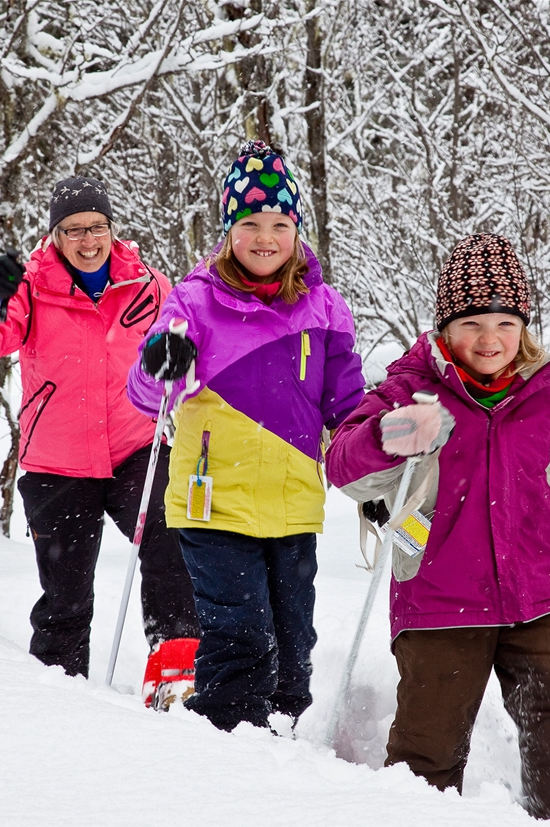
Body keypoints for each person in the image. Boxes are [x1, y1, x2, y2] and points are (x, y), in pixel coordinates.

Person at [325, 234, 550, 826]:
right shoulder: (410, 392)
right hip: (439, 600)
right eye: (473, 323)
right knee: (427, 745)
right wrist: (390, 436)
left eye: (505, 322)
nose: (490, 339)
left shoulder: (544, 399)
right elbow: (344, 464)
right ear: (444, 328)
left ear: (523, 326)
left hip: (538, 597)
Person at [126, 141, 365, 732]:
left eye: (280, 223)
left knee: (292, 639)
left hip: (293, 507)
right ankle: (229, 752)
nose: (266, 237)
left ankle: (284, 742)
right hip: (213, 503)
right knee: (241, 634)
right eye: (251, 223)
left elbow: (348, 407)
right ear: (230, 230)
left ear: (297, 229)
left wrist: (375, 462)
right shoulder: (193, 301)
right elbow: (147, 397)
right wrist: (164, 360)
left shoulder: (325, 308)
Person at [0, 176, 200, 708]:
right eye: (73, 230)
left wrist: (178, 362)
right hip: (58, 462)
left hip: (136, 449)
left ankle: (175, 682)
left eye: (97, 227)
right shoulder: (31, 287)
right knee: (66, 592)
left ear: (112, 229)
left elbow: (183, 348)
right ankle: (59, 702)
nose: (88, 240)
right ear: (55, 235)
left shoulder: (146, 285)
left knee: (173, 545)